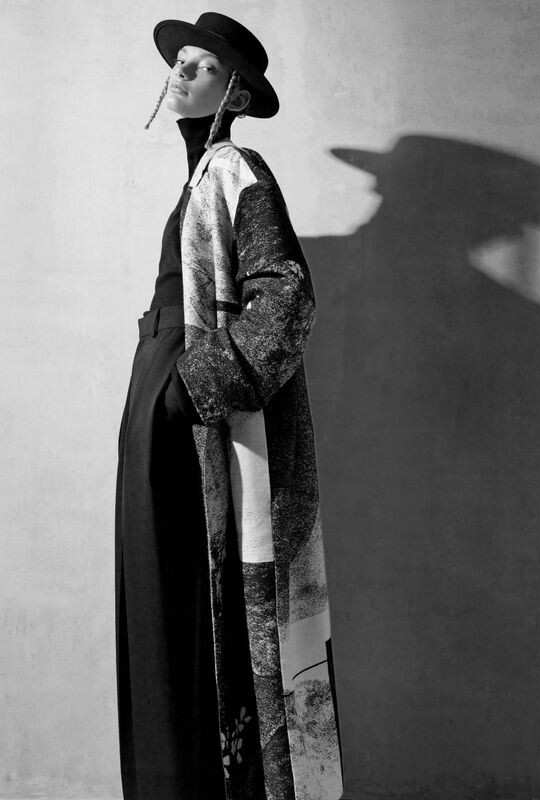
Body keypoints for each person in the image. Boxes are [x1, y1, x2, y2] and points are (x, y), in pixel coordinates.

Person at [115, 12, 344, 800]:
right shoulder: (200, 179)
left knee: (192, 599)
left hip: (186, 403)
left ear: (235, 92)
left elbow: (286, 298)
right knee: (158, 598)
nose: (180, 72)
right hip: (158, 394)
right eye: (179, 60)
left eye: (202, 65)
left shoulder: (238, 169)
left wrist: (189, 388)